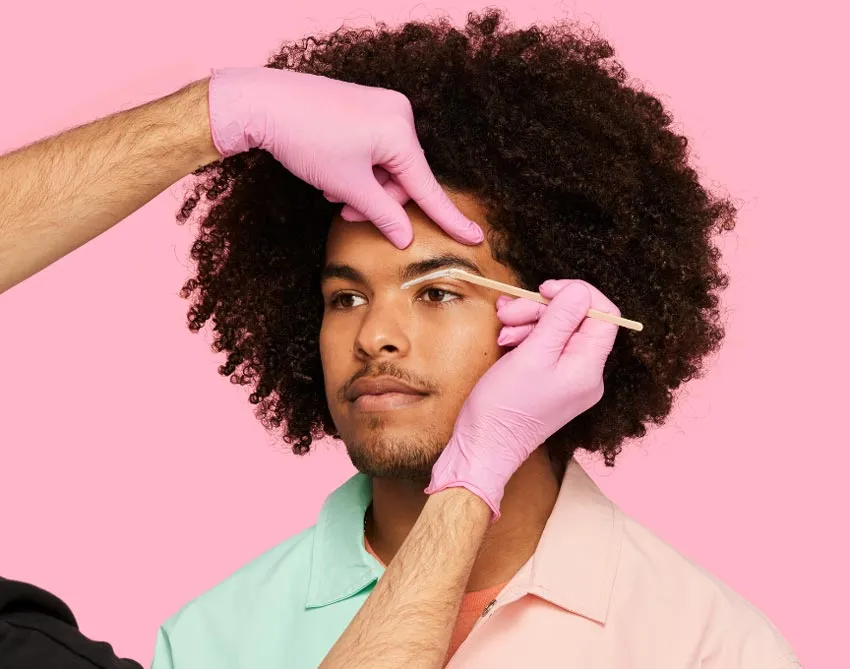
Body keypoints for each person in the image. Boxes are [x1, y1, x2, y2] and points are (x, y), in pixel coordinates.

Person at [0, 9, 801, 669]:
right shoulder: (212, 637)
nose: (376, 335)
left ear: (562, 317)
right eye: (344, 295)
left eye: (441, 290)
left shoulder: (710, 645)